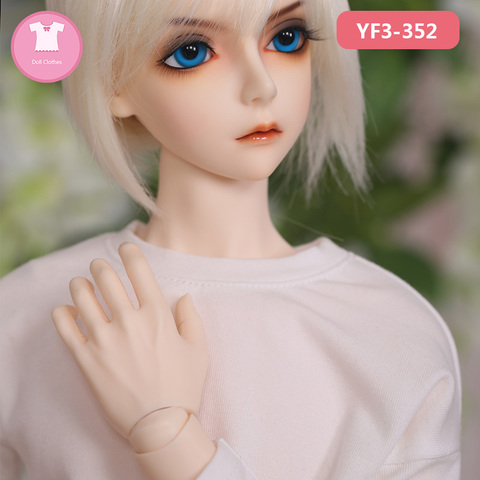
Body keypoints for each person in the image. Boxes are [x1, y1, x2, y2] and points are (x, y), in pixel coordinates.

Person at [0, 0, 461, 479]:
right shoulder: (24, 316)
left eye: (287, 37)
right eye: (191, 51)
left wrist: (170, 439)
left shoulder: (392, 335)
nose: (262, 85)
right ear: (112, 83)